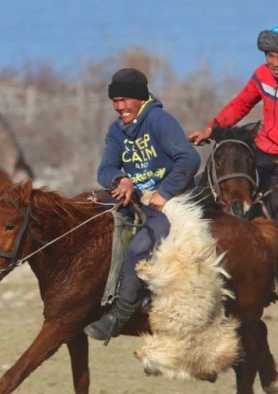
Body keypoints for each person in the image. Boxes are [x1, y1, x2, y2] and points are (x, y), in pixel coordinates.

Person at [84, 68, 201, 341]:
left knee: (139, 246)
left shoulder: (158, 120)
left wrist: (165, 192)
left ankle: (121, 313)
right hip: (137, 199)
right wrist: (120, 179)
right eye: (115, 101)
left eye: (124, 99)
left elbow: (189, 159)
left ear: (139, 98)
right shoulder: (117, 131)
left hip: (168, 201)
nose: (119, 106)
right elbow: (105, 169)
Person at [189, 24, 278, 219]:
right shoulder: (262, 74)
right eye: (270, 56)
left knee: (266, 216)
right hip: (257, 153)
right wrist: (211, 129)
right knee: (206, 188)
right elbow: (240, 104)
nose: (275, 63)